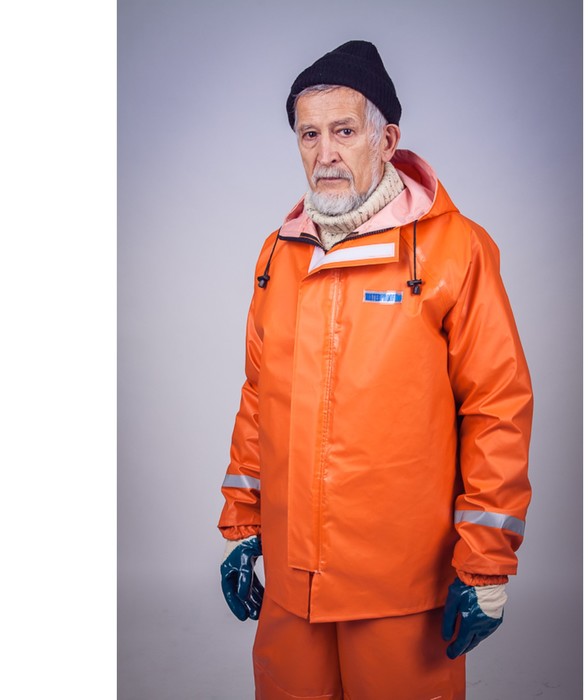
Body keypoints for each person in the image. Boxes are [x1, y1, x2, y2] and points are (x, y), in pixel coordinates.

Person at [218, 40, 533, 700]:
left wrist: (485, 564)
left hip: (401, 592)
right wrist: (243, 525)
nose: (324, 153)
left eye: (343, 131)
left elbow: (497, 406)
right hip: (292, 589)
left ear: (386, 140)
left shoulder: (455, 251)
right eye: (309, 134)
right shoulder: (278, 255)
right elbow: (259, 398)